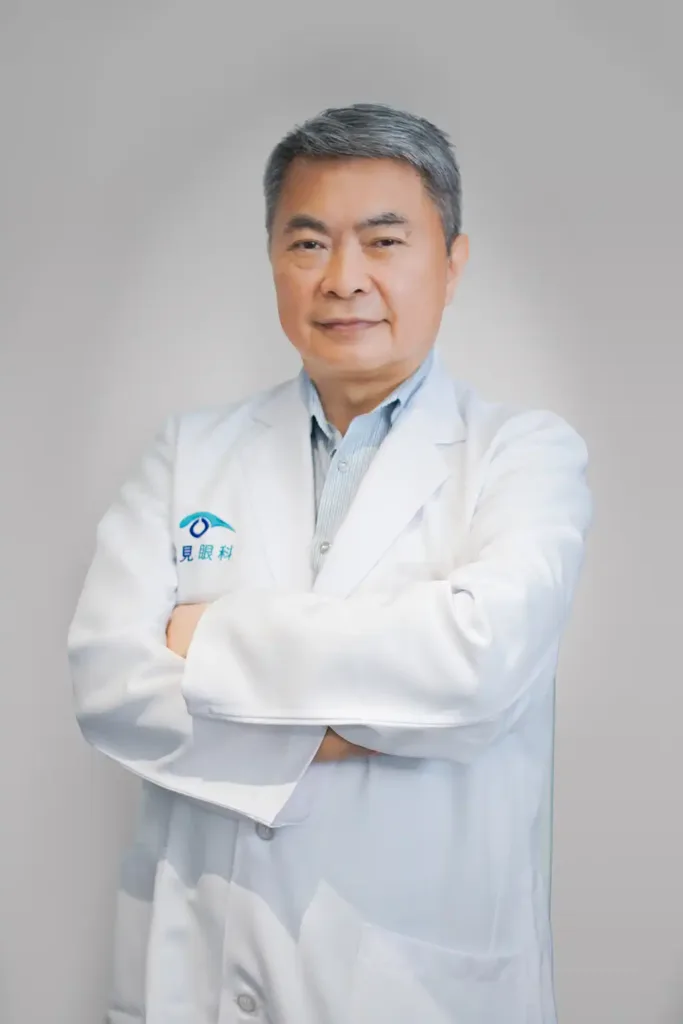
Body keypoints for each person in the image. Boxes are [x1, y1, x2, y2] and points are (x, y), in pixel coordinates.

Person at [67, 102, 592, 1024]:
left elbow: (475, 662)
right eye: (308, 244)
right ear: (273, 260)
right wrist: (378, 717)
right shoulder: (188, 452)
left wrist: (208, 639)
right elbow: (107, 681)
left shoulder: (524, 455)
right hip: (199, 971)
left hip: (414, 983)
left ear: (452, 262)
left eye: (383, 241)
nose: (343, 279)